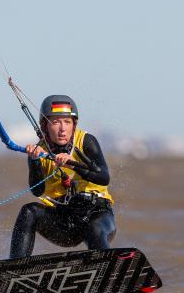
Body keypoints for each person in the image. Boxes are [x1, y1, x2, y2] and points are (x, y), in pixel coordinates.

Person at [9, 95, 116, 259]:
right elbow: (37, 191)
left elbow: (104, 177)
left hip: (98, 213)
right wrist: (34, 161)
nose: (62, 128)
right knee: (29, 211)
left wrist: (73, 165)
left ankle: (107, 266)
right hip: (66, 221)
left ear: (74, 124)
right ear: (45, 125)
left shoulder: (86, 141)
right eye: (56, 122)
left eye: (67, 122)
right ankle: (15, 267)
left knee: (94, 229)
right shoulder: (39, 151)